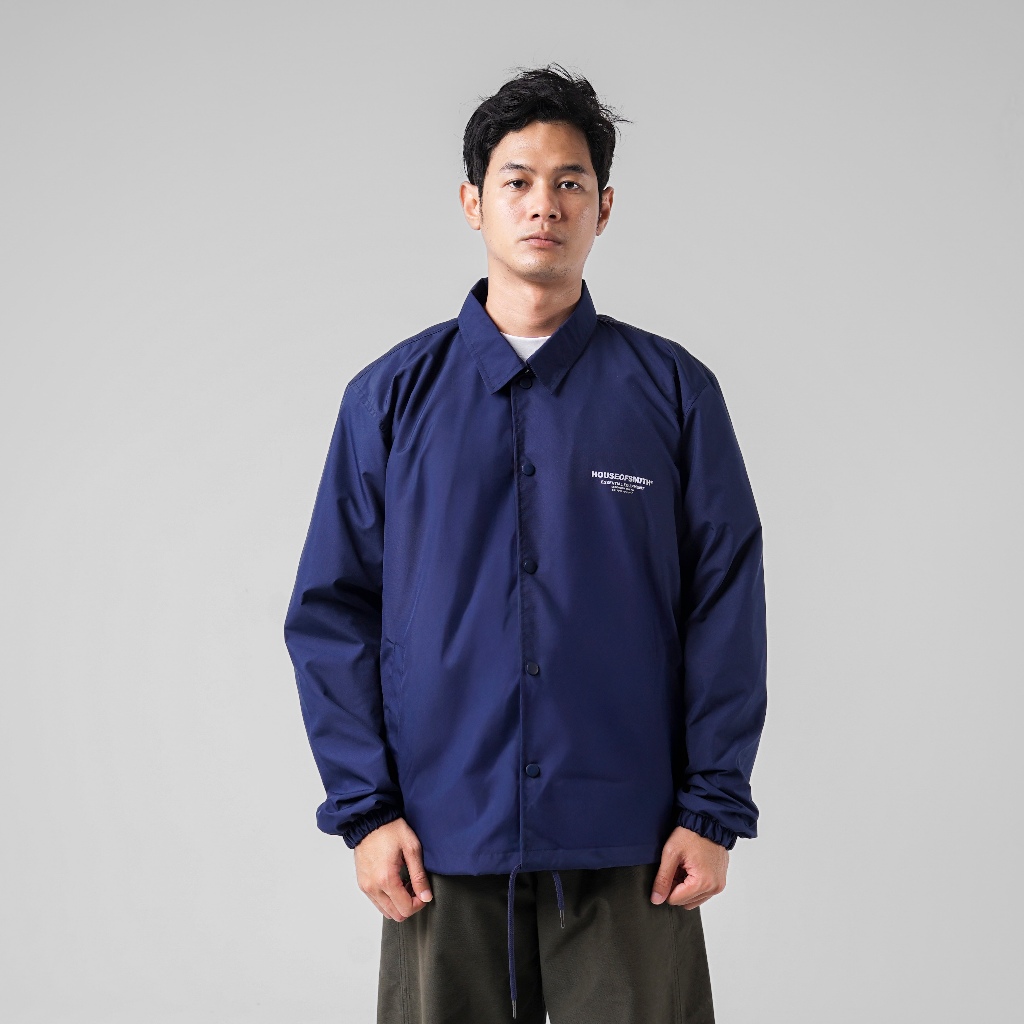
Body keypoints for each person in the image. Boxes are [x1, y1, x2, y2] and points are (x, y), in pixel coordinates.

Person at [283, 63, 768, 1024]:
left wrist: (712, 810)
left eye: (570, 181)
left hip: (631, 840)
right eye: (517, 180)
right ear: (473, 201)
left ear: (604, 206)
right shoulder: (388, 400)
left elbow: (725, 601)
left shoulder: (673, 393)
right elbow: (331, 612)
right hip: (441, 839)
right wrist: (366, 812)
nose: (544, 203)